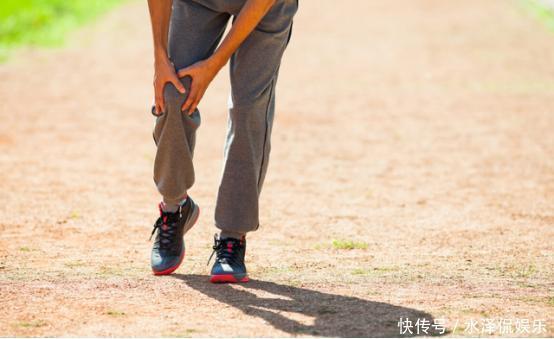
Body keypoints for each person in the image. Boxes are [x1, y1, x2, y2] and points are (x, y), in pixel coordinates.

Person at [147, 0, 297, 283]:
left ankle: (232, 237)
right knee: (172, 94)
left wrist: (213, 65)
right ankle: (174, 206)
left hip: (266, 7)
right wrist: (159, 56)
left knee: (248, 109)